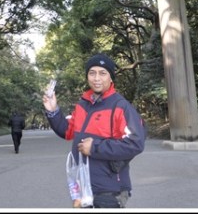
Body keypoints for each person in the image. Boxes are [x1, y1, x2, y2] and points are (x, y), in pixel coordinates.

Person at [43, 53, 145, 208]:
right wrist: (53, 111)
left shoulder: (120, 106)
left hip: (109, 190)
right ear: (87, 77)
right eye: (92, 73)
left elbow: (135, 143)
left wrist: (95, 148)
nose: (97, 78)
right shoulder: (83, 105)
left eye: (103, 73)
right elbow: (67, 131)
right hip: (83, 186)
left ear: (111, 78)